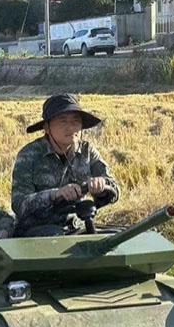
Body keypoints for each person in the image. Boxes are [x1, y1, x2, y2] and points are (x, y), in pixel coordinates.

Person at [11, 93, 120, 236]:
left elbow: (114, 190)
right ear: (47, 128)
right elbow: (19, 204)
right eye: (63, 121)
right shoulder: (28, 155)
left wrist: (102, 186)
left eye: (76, 121)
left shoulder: (88, 151)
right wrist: (54, 195)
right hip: (37, 231)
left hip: (77, 226)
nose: (71, 127)